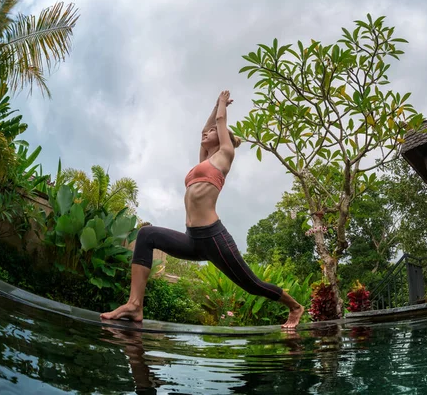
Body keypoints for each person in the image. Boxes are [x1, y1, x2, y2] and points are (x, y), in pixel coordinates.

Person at [100, 90, 305, 329]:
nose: (206, 133)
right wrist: (213, 106)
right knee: (147, 235)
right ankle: (134, 305)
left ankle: (295, 307)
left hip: (214, 238)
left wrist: (221, 104)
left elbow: (219, 122)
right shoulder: (203, 162)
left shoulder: (225, 155)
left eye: (211, 133)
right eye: (206, 132)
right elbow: (207, 126)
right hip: (193, 239)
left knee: (251, 284)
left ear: (221, 138)